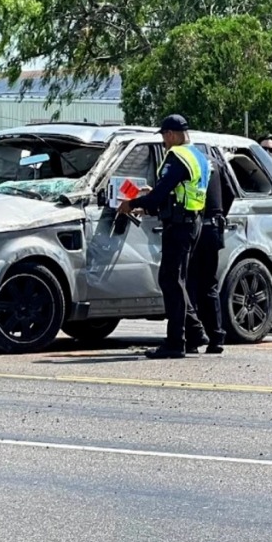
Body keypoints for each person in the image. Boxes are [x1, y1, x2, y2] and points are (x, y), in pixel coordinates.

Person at [118, 114, 209, 359]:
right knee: (176, 280)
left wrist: (132, 203)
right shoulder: (199, 155)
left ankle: (175, 342)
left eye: (164, 137)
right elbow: (176, 191)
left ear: (170, 134)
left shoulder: (176, 156)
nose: (164, 142)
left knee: (170, 280)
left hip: (179, 226)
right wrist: (152, 196)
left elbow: (159, 197)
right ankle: (195, 333)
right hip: (193, 221)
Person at [185, 150, 233, 355]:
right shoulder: (215, 162)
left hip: (194, 228)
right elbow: (230, 192)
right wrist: (219, 214)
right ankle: (216, 337)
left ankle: (193, 339)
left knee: (190, 284)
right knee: (210, 285)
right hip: (213, 228)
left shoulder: (185, 161)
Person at [255, 133, 272, 335]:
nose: (267, 153)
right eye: (263, 149)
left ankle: (267, 319)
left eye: (271, 150)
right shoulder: (249, 169)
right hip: (254, 227)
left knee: (270, 275)